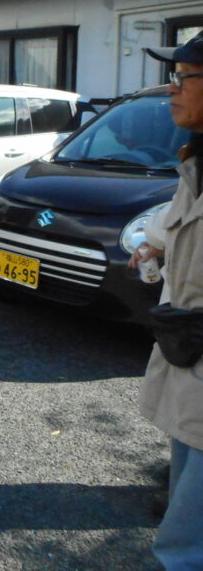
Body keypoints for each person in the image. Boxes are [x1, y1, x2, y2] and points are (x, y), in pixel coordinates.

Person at [131, 31, 203, 570]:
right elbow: (178, 221)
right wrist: (157, 243)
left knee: (188, 535)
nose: (171, 91)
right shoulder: (195, 162)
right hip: (188, 352)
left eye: (184, 78)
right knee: (186, 476)